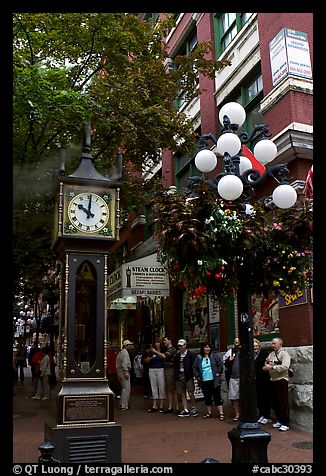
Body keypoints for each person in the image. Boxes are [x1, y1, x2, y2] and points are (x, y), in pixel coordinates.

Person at [263, 337, 291, 432]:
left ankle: (285, 423)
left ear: (280, 344)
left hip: (281, 379)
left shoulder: (284, 354)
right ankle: (279, 420)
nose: (273, 345)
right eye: (272, 343)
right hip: (273, 380)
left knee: (282, 401)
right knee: (275, 402)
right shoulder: (271, 354)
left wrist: (272, 367)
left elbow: (285, 366)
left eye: (275, 343)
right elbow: (267, 363)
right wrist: (266, 364)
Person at [193, 342, 225, 420]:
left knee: (217, 396)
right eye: (206, 347)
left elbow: (220, 364)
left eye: (209, 347)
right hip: (204, 380)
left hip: (214, 380)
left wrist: (218, 372)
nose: (207, 349)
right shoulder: (199, 357)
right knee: (207, 397)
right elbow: (194, 367)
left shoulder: (214, 356)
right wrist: (197, 376)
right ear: (203, 348)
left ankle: (221, 413)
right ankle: (209, 412)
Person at [174, 338, 198, 417]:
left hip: (188, 376)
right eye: (179, 346)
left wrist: (194, 374)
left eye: (181, 345)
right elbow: (176, 366)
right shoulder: (177, 356)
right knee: (182, 393)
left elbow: (194, 366)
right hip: (179, 376)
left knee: (191, 392)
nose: (180, 347)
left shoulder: (191, 355)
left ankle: (193, 407)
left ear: (185, 345)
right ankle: (185, 409)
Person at [144, 340, 166, 413]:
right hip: (152, 369)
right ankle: (154, 405)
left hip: (160, 369)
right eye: (156, 343)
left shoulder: (163, 351)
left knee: (161, 386)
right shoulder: (150, 352)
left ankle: (161, 406)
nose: (157, 344)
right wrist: (151, 358)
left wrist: (156, 352)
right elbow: (146, 360)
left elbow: (164, 357)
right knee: (153, 387)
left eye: (158, 343)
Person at [253, 339, 272, 424]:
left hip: (264, 379)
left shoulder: (264, 353)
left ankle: (266, 416)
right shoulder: (252, 355)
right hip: (256, 380)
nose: (255, 347)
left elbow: (268, 363)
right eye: (253, 346)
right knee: (259, 398)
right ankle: (261, 415)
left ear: (259, 346)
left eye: (256, 346)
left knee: (265, 398)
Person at [223, 337, 240, 422]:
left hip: (243, 378)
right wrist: (229, 361)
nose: (237, 344)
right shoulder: (230, 352)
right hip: (233, 377)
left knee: (244, 397)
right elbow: (224, 363)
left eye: (238, 342)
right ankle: (237, 413)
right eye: (236, 342)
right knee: (234, 397)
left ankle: (245, 413)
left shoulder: (245, 350)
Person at [116, 339, 133, 411]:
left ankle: (121, 403)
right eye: (129, 345)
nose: (130, 346)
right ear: (126, 346)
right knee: (126, 389)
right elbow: (125, 364)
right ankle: (124, 405)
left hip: (119, 372)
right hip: (123, 372)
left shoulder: (121, 352)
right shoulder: (125, 353)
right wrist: (126, 372)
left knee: (123, 388)